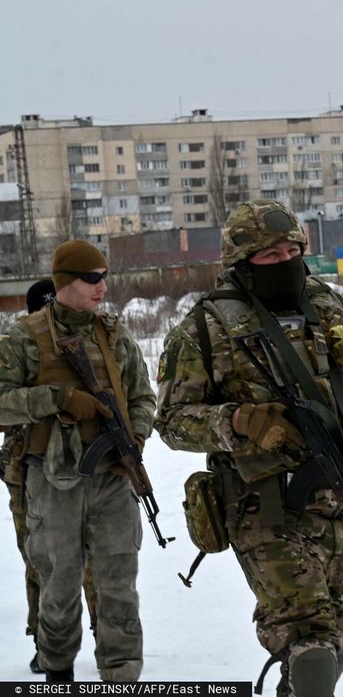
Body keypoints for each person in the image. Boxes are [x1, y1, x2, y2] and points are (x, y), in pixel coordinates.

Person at [154, 200, 343, 696]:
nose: (286, 261)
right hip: (265, 506)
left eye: (292, 250)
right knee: (307, 631)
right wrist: (235, 422)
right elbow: (169, 422)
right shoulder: (205, 329)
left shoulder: (332, 308)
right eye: (270, 255)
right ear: (240, 261)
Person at [0, 243, 155, 682]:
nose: (102, 285)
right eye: (92, 277)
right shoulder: (23, 338)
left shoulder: (113, 333)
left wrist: (136, 435)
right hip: (51, 480)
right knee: (59, 583)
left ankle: (122, 671)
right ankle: (56, 667)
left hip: (112, 476)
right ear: (66, 281)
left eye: (105, 275)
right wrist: (59, 399)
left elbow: (143, 395)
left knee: (118, 583)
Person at [1, 278, 99, 675]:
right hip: (28, 472)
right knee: (40, 558)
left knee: (91, 557)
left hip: (84, 466)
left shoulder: (86, 345)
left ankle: (105, 634)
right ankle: (45, 640)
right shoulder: (18, 351)